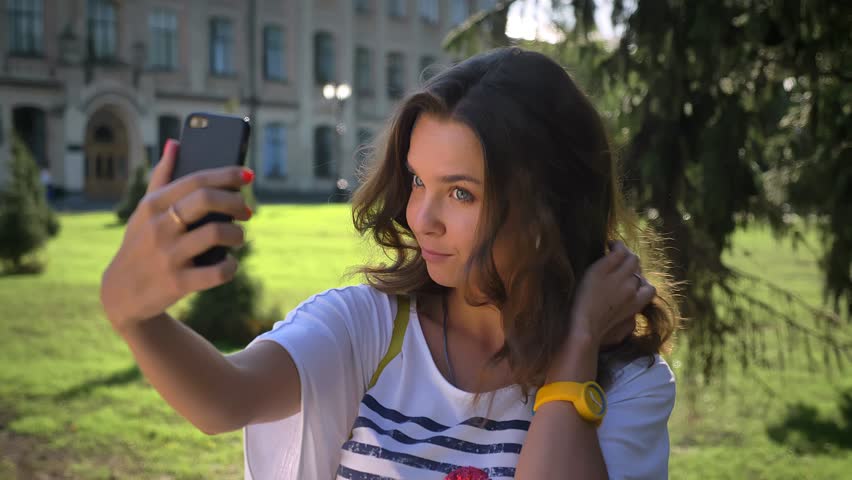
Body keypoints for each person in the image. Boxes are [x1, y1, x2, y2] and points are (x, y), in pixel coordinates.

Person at [100, 47, 680, 480]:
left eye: (461, 193)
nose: (421, 217)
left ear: (547, 208)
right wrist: (135, 316)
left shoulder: (627, 384)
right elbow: (225, 398)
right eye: (419, 181)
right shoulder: (370, 327)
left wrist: (575, 355)